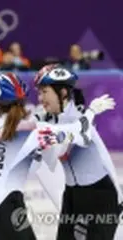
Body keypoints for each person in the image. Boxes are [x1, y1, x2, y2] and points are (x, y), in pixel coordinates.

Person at [0, 72, 115, 240]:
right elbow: (81, 132)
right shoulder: (35, 129)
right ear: (22, 100)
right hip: (5, 209)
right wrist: (91, 111)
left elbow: (15, 163)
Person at [33, 64, 122, 240]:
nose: (40, 98)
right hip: (73, 195)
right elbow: (49, 162)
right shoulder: (49, 119)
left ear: (63, 92)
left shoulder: (79, 118)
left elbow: (64, 148)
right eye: (39, 92)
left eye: (44, 92)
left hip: (100, 196)